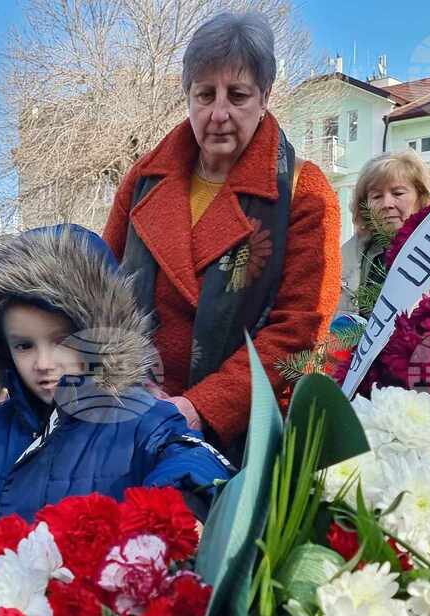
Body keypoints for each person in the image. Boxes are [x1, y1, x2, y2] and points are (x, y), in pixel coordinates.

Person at [102, 11, 341, 462]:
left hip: (243, 438)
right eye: (205, 94)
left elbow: (299, 331)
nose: (218, 114)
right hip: (132, 420)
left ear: (265, 96)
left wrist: (200, 407)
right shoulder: (142, 181)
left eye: (238, 95)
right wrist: (132, 387)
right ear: (188, 96)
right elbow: (98, 292)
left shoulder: (303, 191)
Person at [0, 225, 233, 526]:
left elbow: (191, 460)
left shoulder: (143, 419)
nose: (44, 363)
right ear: (2, 347)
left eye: (63, 341)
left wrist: (181, 507)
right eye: (24, 346)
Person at [337, 150, 430, 315]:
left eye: (398, 193)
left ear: (421, 196)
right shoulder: (343, 261)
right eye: (376, 196)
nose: (387, 204)